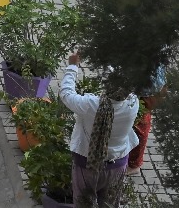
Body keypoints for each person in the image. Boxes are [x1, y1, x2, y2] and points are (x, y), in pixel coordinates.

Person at [59, 53, 140, 208]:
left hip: (87, 165)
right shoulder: (133, 103)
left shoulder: (91, 105)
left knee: (84, 204)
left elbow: (66, 94)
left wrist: (72, 66)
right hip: (117, 165)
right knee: (110, 205)